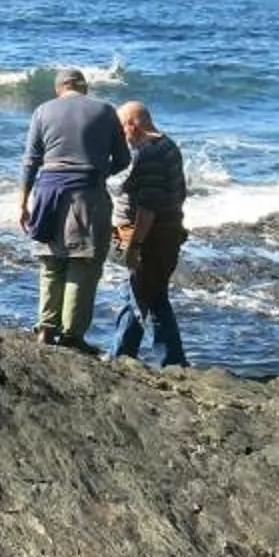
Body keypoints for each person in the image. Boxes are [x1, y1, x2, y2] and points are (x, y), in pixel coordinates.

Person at [15, 67, 128, 348]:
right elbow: (124, 158)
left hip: (47, 192)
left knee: (51, 262)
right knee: (83, 263)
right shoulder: (105, 110)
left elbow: (30, 161)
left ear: (58, 89)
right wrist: (100, 172)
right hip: (88, 193)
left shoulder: (43, 111)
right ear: (84, 87)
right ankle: (72, 336)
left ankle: (45, 328)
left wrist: (22, 203)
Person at [108, 97, 189, 366]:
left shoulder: (150, 155)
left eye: (121, 129)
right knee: (143, 294)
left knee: (143, 296)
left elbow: (148, 209)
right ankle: (124, 353)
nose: (120, 137)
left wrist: (134, 247)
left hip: (148, 236)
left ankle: (166, 360)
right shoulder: (167, 145)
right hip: (158, 232)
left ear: (132, 125)